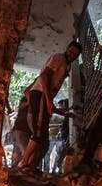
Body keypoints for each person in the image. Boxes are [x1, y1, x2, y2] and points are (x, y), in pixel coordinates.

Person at [17, 41, 81, 172]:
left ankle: (29, 166)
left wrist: (63, 113)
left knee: (42, 139)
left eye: (76, 54)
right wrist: (47, 99)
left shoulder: (66, 66)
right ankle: (23, 163)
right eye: (71, 51)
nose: (72, 55)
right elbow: (44, 75)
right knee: (38, 132)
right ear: (67, 49)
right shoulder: (59, 58)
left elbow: (49, 103)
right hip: (40, 94)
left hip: (43, 96)